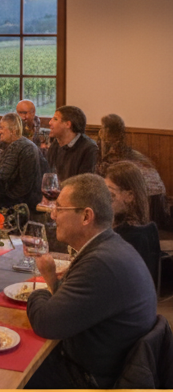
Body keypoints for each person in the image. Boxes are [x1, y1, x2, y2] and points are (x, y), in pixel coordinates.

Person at [24, 173, 158, 388]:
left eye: (60, 208)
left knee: (5, 372)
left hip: (90, 379)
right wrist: (50, 278)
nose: (53, 215)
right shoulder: (110, 246)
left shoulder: (101, 263)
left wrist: (37, 293)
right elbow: (69, 305)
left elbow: (45, 323)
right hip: (103, 365)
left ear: (86, 216)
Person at [105, 162, 164, 286]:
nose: (104, 200)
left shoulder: (130, 236)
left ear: (130, 196)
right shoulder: (143, 228)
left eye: (110, 194)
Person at [96, 114, 166, 197]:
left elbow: (102, 173)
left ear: (107, 131)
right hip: (157, 195)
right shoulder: (131, 152)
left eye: (102, 128)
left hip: (143, 196)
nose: (100, 131)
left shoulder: (114, 155)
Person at [0, 114, 46, 212]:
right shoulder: (26, 144)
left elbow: (0, 177)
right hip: (30, 200)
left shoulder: (18, 146)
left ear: (13, 130)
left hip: (19, 204)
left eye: (2, 128)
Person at [47, 105, 100, 180]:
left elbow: (84, 183)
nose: (50, 123)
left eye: (55, 119)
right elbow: (48, 175)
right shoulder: (55, 145)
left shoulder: (89, 149)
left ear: (68, 124)